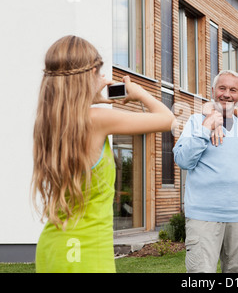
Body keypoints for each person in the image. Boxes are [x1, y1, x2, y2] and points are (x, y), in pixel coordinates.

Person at [32, 35, 175, 273]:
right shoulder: (97, 119)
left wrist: (91, 98)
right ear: (86, 77)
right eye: (99, 73)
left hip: (53, 249)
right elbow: (168, 120)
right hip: (86, 252)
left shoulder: (48, 122)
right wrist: (138, 92)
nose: (105, 79)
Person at [173, 70, 238, 273]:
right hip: (203, 215)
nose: (226, 94)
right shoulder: (195, 121)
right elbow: (182, 160)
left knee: (236, 272)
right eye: (222, 88)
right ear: (212, 91)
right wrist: (206, 126)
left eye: (233, 90)